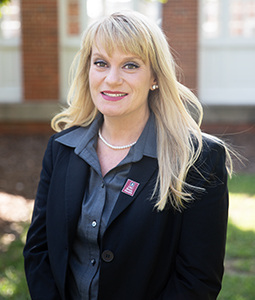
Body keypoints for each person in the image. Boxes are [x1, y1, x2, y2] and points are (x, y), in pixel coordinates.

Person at [23, 10, 232, 300]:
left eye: (130, 65)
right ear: (88, 70)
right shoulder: (62, 148)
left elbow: (197, 280)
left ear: (155, 78)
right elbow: (39, 250)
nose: (112, 79)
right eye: (101, 63)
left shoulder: (198, 159)